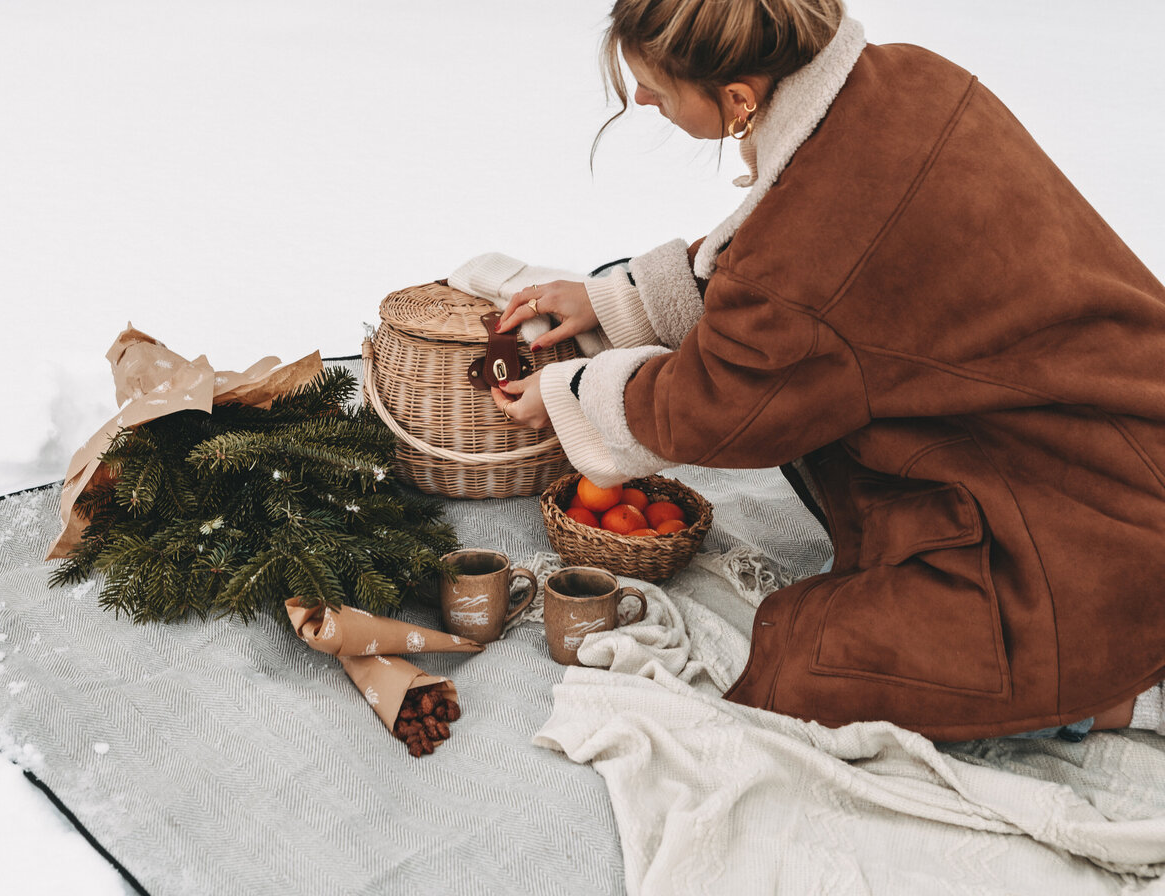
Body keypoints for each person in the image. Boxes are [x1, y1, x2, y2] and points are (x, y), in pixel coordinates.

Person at [485, 0, 1165, 742]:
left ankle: (1113, 684)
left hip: (1101, 515)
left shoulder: (810, 242)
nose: (643, 100)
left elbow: (724, 396)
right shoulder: (907, 78)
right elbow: (814, 264)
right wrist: (623, 300)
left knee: (810, 662)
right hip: (1088, 431)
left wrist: (569, 393)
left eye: (656, 88)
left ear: (739, 96)